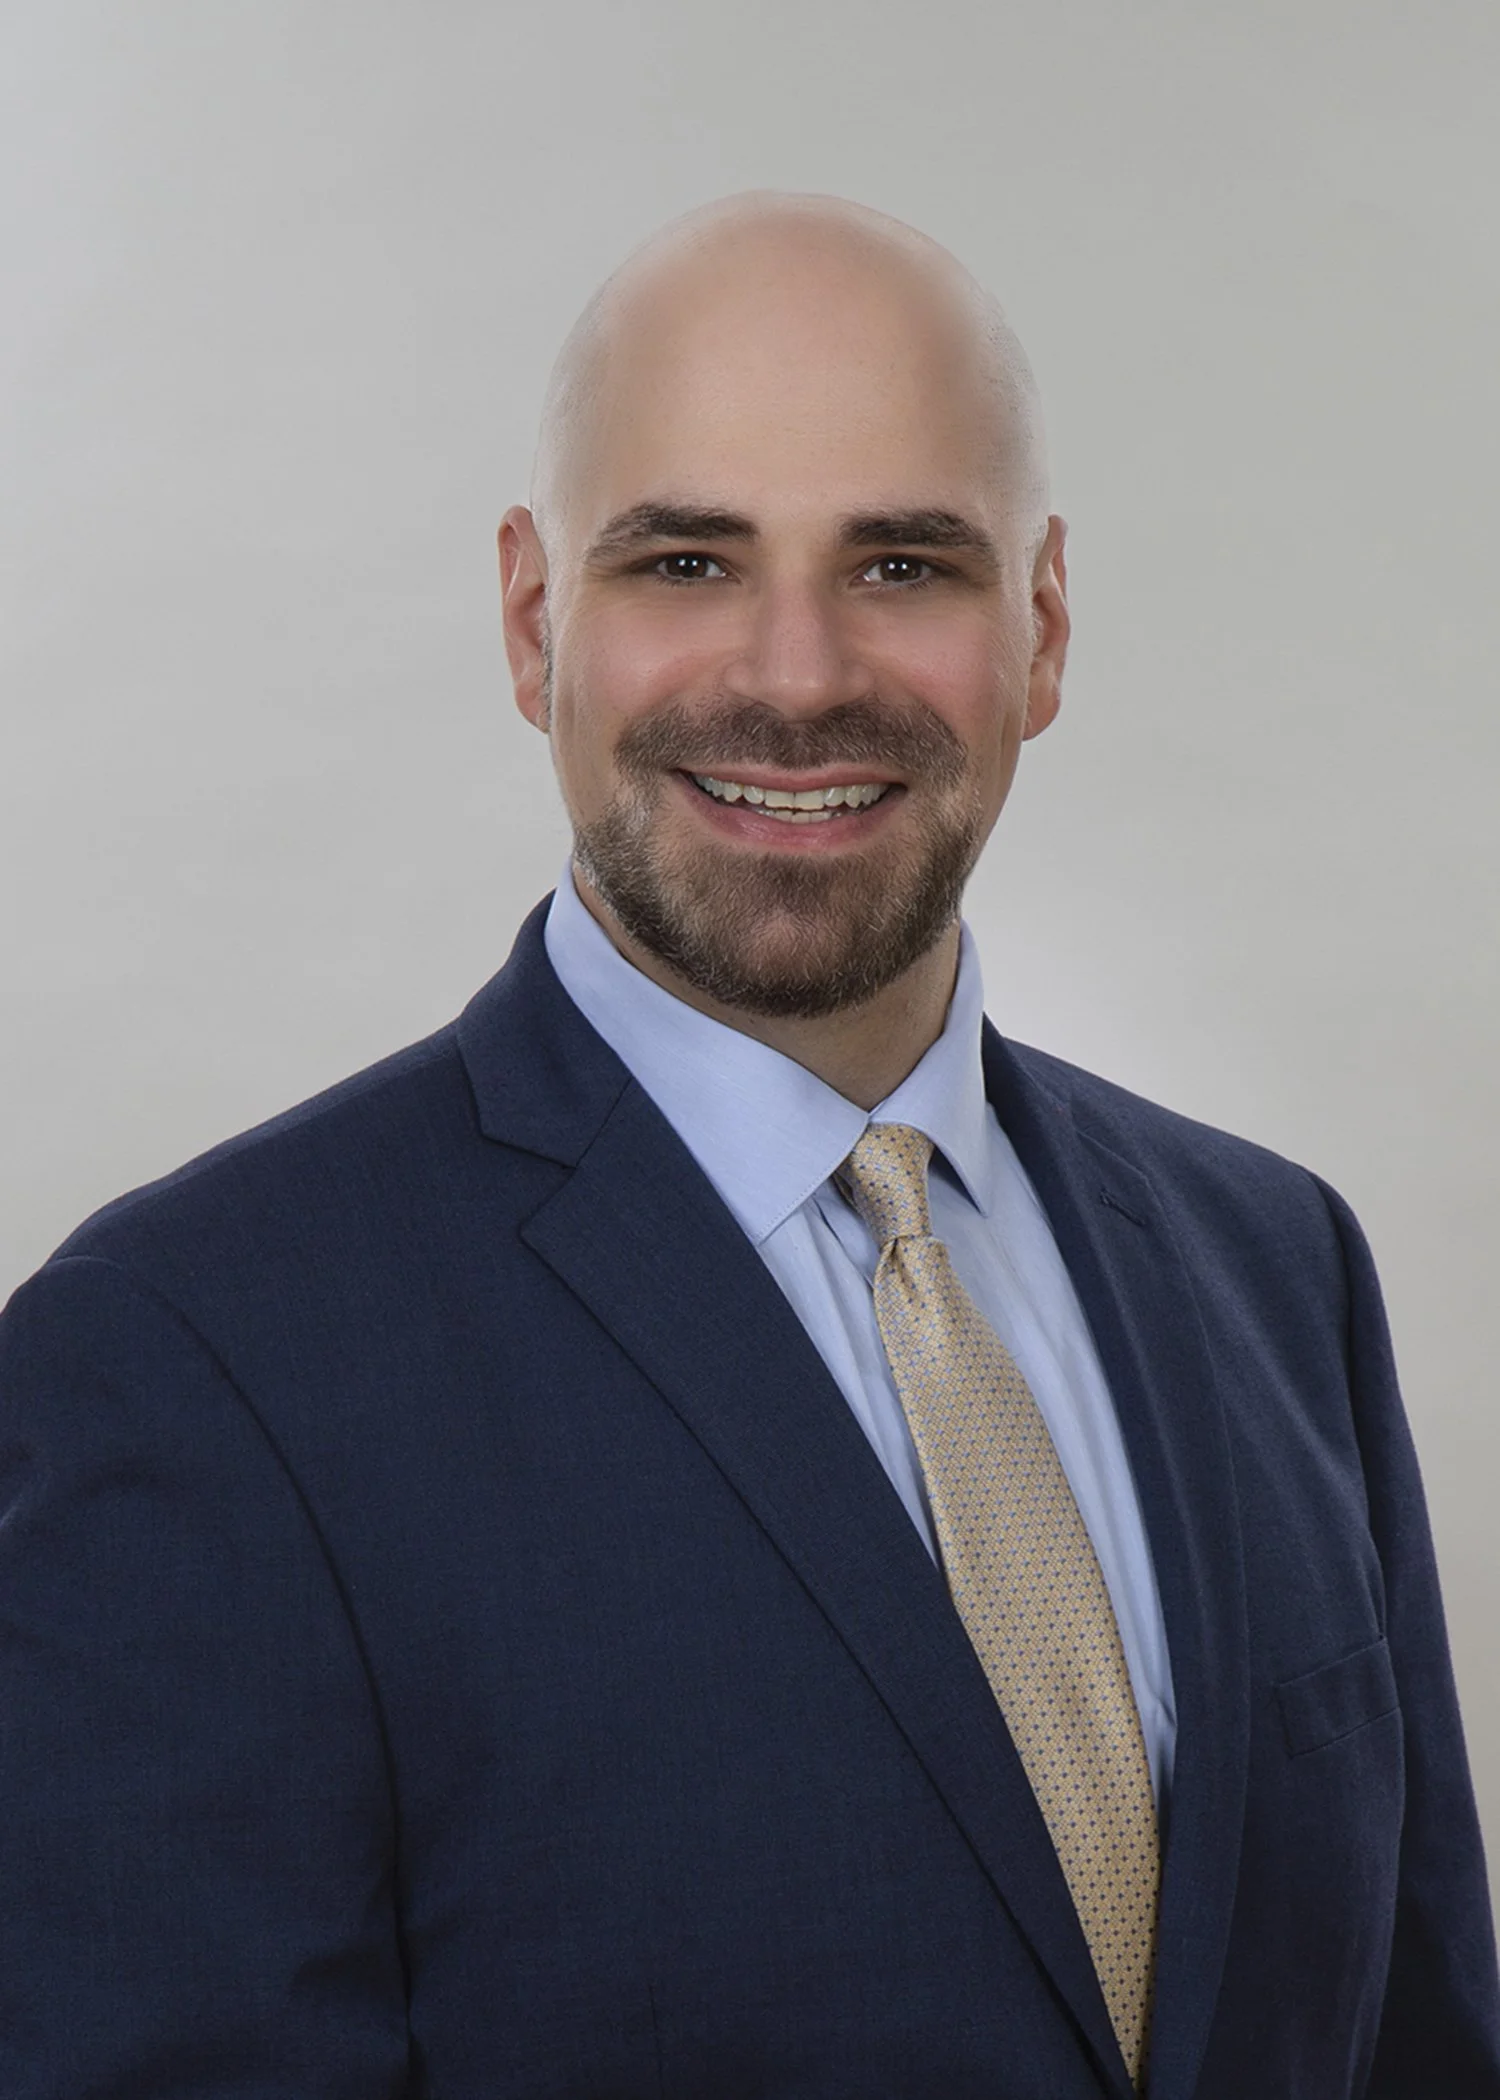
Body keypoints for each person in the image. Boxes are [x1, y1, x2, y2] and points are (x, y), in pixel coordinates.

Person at [1, 191, 1496, 2100]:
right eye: (690, 560)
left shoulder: (1281, 1269)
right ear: (538, 620)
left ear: (1040, 628)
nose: (795, 678)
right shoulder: (190, 1361)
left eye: (902, 566)